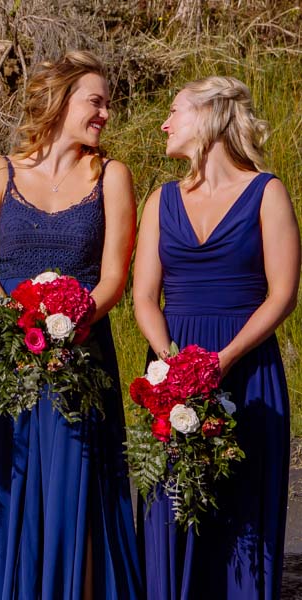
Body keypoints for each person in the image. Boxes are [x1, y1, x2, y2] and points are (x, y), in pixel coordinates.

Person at [0, 50, 143, 599]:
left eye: (108, 104)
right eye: (96, 101)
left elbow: (113, 278)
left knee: (75, 489)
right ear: (61, 100)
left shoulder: (112, 177)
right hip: (5, 353)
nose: (105, 114)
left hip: (80, 353)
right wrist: (20, 328)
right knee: (10, 483)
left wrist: (68, 327)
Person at [133, 75, 299, 599]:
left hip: (247, 369)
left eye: (174, 111)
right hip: (173, 370)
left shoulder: (266, 192)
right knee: (170, 510)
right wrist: (172, 366)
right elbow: (144, 297)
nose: (164, 123)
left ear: (208, 116)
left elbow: (282, 294)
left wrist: (222, 359)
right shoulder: (159, 201)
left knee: (243, 516)